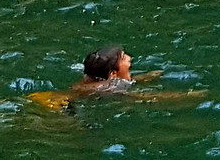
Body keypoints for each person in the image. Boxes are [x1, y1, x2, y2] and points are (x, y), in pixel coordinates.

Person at [25, 46, 201, 113]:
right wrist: (187, 96)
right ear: (113, 74)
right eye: (123, 58)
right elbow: (145, 98)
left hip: (49, 97)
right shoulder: (110, 88)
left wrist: (149, 76)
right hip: (61, 107)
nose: (129, 59)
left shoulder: (95, 80)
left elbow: (127, 81)